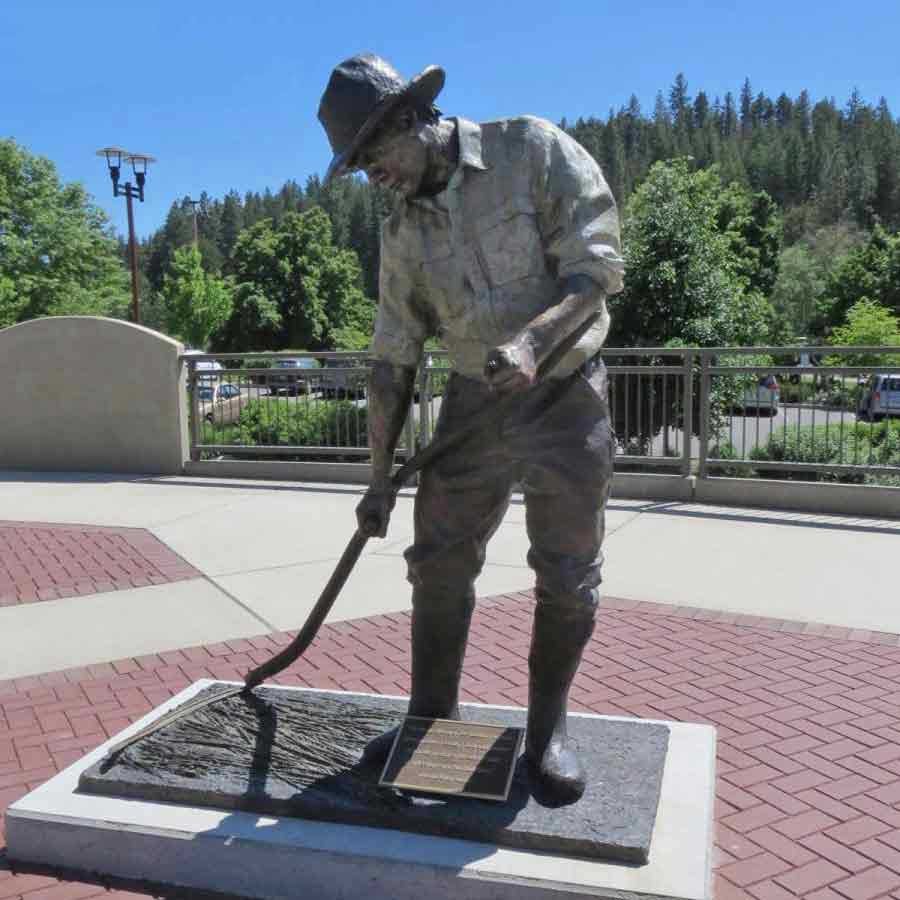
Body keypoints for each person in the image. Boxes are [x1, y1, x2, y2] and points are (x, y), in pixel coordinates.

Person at [318, 54, 624, 804]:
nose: (371, 177)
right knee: (438, 560)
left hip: (565, 395)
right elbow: (392, 358)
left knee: (567, 570)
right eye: (356, 167)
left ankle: (547, 731)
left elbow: (595, 271)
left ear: (411, 120)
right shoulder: (400, 230)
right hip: (470, 409)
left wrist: (533, 343)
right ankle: (429, 719)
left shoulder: (532, 151)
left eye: (373, 156)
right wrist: (379, 477)